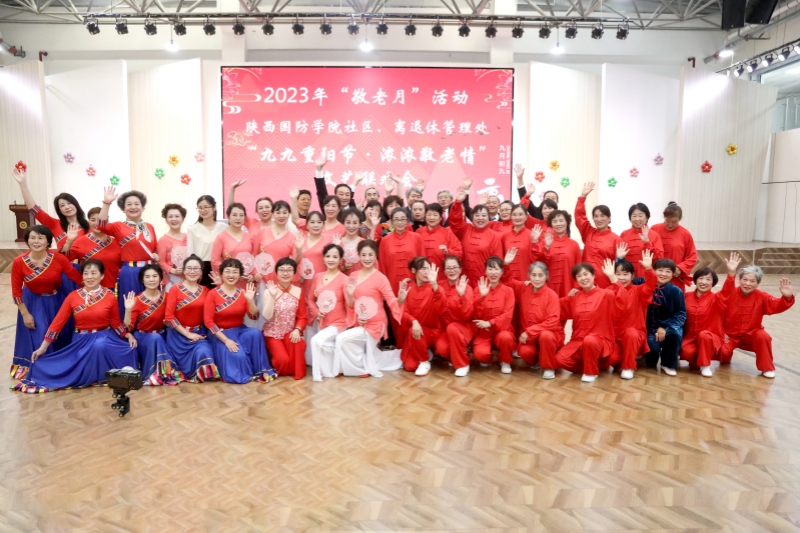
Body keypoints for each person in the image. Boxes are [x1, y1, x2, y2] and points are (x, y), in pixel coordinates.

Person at [14, 260, 137, 393]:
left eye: (94, 273)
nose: (89, 277)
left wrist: (126, 334)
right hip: (81, 340)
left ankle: (103, 375)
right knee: (95, 347)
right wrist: (43, 348)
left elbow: (115, 323)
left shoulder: (110, 296)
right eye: (86, 273)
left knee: (127, 349)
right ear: (82, 276)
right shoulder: (73, 297)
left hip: (105, 337)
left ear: (102, 276)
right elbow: (57, 324)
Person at [11, 225, 84, 379]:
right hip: (32, 303)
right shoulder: (19, 261)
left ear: (48, 242)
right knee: (40, 336)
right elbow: (16, 291)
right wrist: (25, 314)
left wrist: (94, 290)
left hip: (56, 300)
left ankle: (60, 367)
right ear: (27, 241)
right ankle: (40, 369)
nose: (36, 241)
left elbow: (77, 278)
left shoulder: (58, 258)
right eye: (32, 238)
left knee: (58, 334)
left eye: (40, 238)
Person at [334, 241, 404, 377]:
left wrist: (400, 300)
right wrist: (350, 295)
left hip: (376, 325)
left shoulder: (381, 278)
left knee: (342, 338)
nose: (367, 258)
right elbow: (350, 304)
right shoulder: (353, 276)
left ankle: (361, 369)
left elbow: (390, 300)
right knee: (345, 340)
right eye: (364, 255)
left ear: (376, 255)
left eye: (370, 255)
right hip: (360, 322)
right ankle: (356, 366)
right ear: (359, 256)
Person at [204, 258, 276, 383]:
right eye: (228, 271)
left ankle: (260, 370)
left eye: (235, 272)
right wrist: (226, 341)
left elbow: (254, 316)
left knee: (256, 333)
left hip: (239, 330)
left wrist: (250, 300)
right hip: (220, 334)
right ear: (222, 274)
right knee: (238, 357)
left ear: (240, 275)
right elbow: (208, 322)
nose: (231, 275)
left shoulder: (243, 292)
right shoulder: (213, 294)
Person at [719, 264, 795, 378]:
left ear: (758, 283)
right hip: (729, 336)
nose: (748, 284)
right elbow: (717, 313)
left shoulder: (762, 296)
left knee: (764, 337)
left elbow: (776, 305)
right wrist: (721, 332)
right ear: (740, 280)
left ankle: (767, 368)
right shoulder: (730, 293)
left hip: (751, 335)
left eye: (752, 281)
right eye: (745, 279)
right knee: (723, 355)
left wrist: (787, 297)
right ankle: (725, 356)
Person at [97, 186, 159, 318]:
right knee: (131, 306)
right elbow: (101, 225)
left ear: (142, 207)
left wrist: (156, 256)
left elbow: (154, 249)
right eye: (129, 204)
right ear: (123, 209)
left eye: (137, 204)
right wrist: (107, 203)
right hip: (130, 272)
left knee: (152, 306)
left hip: (150, 272)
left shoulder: (149, 227)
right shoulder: (118, 226)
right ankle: (129, 329)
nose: (133, 207)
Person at [556, 262, 620, 383]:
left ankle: (591, 371)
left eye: (586, 274)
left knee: (590, 340)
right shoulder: (574, 297)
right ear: (576, 280)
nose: (583, 278)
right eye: (579, 276)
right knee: (560, 360)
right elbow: (556, 307)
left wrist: (612, 276)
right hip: (578, 342)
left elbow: (622, 297)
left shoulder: (606, 294)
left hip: (599, 341)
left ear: (593, 275)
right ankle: (592, 362)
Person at [680, 254, 738, 377]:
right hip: (691, 338)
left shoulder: (717, 298)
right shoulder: (686, 296)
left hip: (711, 338)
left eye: (708, 279)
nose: (703, 282)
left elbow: (727, 292)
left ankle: (705, 365)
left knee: (704, 336)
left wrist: (731, 273)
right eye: (701, 278)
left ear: (713, 283)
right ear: (695, 280)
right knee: (686, 353)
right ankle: (698, 361)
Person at [123, 264, 181, 385]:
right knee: (155, 338)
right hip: (144, 337)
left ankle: (163, 373)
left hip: (164, 336)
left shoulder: (167, 297)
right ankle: (155, 375)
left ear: (160, 278)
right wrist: (128, 310)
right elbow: (128, 327)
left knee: (159, 338)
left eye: (155, 276)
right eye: (147, 277)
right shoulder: (136, 300)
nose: (151, 279)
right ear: (142, 280)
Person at [12, 167, 90, 255]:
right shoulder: (54, 224)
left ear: (76, 205)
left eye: (69, 203)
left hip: (89, 263)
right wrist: (23, 185)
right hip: (65, 262)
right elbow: (34, 209)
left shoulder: (90, 225)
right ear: (59, 210)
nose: (67, 207)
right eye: (62, 205)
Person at [604, 250, 656, 380]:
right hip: (614, 337)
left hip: (634, 335)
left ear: (632, 276)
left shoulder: (640, 291)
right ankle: (625, 357)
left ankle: (628, 366)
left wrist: (649, 268)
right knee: (613, 360)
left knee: (631, 333)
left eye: (625, 274)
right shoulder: (608, 291)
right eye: (618, 274)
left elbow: (651, 285)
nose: (621, 278)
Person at [165, 255, 218, 381]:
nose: (192, 271)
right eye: (189, 268)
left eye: (196, 268)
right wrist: (187, 334)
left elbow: (218, 308)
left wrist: (219, 286)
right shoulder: (174, 289)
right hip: (178, 336)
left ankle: (200, 375)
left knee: (204, 352)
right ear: (183, 271)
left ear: (201, 272)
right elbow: (169, 317)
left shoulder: (206, 291)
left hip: (198, 334)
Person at [508, 262, 564, 378]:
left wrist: (529, 332)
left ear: (546, 276)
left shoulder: (552, 295)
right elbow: (508, 282)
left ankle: (548, 367)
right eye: (533, 275)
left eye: (540, 275)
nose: (537, 279)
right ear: (529, 276)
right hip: (531, 339)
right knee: (524, 352)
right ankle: (538, 361)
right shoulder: (523, 288)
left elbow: (553, 322)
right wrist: (506, 264)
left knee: (546, 336)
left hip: (550, 335)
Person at [396, 258, 445, 376]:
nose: (426, 272)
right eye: (423, 269)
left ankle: (424, 360)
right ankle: (423, 350)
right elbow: (403, 312)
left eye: (428, 269)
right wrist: (401, 302)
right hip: (415, 332)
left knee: (414, 331)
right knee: (410, 366)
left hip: (432, 332)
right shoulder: (408, 288)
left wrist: (434, 284)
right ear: (414, 270)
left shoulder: (434, 288)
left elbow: (442, 306)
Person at [308, 244, 349, 381]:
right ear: (323, 258)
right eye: (328, 256)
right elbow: (310, 299)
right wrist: (316, 312)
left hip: (339, 323)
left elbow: (349, 304)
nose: (331, 259)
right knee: (325, 347)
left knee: (316, 340)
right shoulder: (317, 277)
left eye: (335, 257)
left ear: (340, 260)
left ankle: (316, 375)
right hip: (322, 322)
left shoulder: (344, 279)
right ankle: (331, 371)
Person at [262, 258, 308, 380]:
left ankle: (295, 371)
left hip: (289, 332)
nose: (285, 273)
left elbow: (302, 317)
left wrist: (297, 329)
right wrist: (272, 297)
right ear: (276, 273)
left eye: (289, 270)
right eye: (282, 270)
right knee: (283, 361)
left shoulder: (298, 291)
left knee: (298, 343)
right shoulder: (269, 291)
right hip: (272, 333)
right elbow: (267, 316)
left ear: (294, 273)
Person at [449, 187, 503, 286]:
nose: (480, 218)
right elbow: (455, 222)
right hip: (464, 280)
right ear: (472, 217)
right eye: (477, 215)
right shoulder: (466, 229)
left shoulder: (494, 236)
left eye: (484, 215)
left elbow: (497, 262)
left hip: (484, 282)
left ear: (488, 218)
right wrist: (458, 203)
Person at [472, 257, 516, 374]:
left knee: (506, 338)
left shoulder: (509, 291)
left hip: (502, 330)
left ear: (502, 272)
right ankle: (488, 356)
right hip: (484, 333)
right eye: (490, 269)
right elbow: (475, 314)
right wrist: (481, 297)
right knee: (481, 355)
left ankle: (505, 360)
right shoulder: (477, 290)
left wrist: (490, 323)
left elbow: (508, 315)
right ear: (485, 271)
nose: (493, 273)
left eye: (496, 269)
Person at [433, 256, 475, 376]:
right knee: (441, 348)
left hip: (464, 327)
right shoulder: (439, 286)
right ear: (444, 271)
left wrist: (462, 295)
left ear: (460, 269)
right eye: (448, 268)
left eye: (454, 267)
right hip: (446, 329)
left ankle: (463, 364)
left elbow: (467, 315)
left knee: (453, 328)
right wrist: (434, 285)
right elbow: (439, 310)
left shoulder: (467, 288)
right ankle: (454, 356)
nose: (452, 270)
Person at [645, 259, 687, 376]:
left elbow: (681, 314)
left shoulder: (676, 291)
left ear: (672, 274)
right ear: (653, 271)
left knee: (674, 335)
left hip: (669, 327)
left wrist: (664, 326)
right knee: (651, 361)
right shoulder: (644, 285)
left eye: (668, 271)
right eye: (660, 270)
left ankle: (668, 364)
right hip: (649, 329)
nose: (663, 274)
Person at [575, 182, 621, 288]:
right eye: (596, 216)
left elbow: (619, 266)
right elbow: (580, 218)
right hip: (585, 283)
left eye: (602, 216)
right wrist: (582, 197)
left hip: (606, 284)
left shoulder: (616, 239)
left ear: (609, 218)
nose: (599, 219)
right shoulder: (588, 232)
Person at [66, 207, 122, 292]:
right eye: (93, 220)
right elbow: (64, 260)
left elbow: (122, 265)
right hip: (89, 289)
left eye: (100, 220)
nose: (97, 223)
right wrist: (69, 241)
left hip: (112, 288)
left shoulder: (116, 242)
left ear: (107, 221)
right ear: (88, 222)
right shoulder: (80, 242)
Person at [650, 203, 697, 291]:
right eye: (667, 221)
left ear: (679, 219)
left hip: (675, 277)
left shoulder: (685, 234)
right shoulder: (654, 229)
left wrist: (680, 268)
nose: (670, 224)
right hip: (656, 276)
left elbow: (692, 256)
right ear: (664, 217)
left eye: (674, 222)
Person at [211, 203, 257, 288]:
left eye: (241, 215)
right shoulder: (221, 237)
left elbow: (254, 258)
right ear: (228, 217)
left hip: (246, 280)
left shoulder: (250, 237)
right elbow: (215, 261)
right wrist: (231, 274)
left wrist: (252, 275)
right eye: (234, 215)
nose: (238, 218)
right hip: (228, 281)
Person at [186, 195, 227, 289]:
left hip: (219, 268)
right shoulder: (192, 229)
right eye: (200, 208)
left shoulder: (224, 227)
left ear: (214, 208)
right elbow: (190, 253)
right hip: (200, 269)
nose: (203, 210)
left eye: (206, 207)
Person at [415, 203, 463, 282]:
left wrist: (448, 252)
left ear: (440, 218)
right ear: (425, 216)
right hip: (422, 278)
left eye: (435, 215)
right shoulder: (418, 232)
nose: (432, 217)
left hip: (441, 278)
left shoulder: (447, 233)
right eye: (429, 215)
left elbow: (459, 254)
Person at [541, 210, 582, 297]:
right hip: (549, 287)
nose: (558, 224)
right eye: (555, 221)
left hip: (569, 287)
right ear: (551, 224)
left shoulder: (574, 244)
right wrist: (546, 248)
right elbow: (541, 266)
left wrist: (577, 287)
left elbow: (579, 269)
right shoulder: (545, 243)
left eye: (561, 220)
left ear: (567, 222)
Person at [253, 199, 295, 283]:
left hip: (282, 280)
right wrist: (255, 272)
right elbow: (254, 254)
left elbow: (294, 262)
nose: (281, 216)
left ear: (289, 214)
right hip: (262, 279)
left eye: (284, 213)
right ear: (272, 214)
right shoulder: (262, 232)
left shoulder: (292, 237)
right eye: (278, 213)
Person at [619, 203, 664, 279]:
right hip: (627, 278)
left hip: (647, 277)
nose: (637, 219)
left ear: (647, 217)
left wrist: (647, 242)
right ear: (630, 218)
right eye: (634, 216)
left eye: (640, 216)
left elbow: (660, 259)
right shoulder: (624, 234)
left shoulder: (654, 235)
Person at [501, 205, 540, 283]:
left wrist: (535, 241)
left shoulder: (532, 235)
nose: (517, 217)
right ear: (511, 217)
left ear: (526, 217)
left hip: (526, 279)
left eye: (520, 214)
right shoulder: (504, 236)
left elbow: (536, 260)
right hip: (508, 279)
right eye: (514, 215)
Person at [157, 203, 188, 290]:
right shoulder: (163, 240)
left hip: (189, 277)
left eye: (177, 216)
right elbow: (161, 262)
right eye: (170, 216)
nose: (174, 219)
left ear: (182, 219)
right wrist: (173, 270)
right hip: (171, 278)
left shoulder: (188, 237)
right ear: (166, 220)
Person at [296, 211, 331, 285]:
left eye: (319, 222)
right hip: (302, 281)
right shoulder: (300, 240)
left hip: (321, 282)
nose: (316, 225)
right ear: (307, 225)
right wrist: (298, 274)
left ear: (323, 225)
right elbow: (295, 261)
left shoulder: (329, 242)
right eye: (312, 222)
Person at [339, 209, 366, 275]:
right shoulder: (337, 243)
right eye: (348, 222)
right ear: (343, 223)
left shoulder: (364, 244)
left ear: (360, 224)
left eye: (355, 223)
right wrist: (343, 268)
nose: (351, 226)